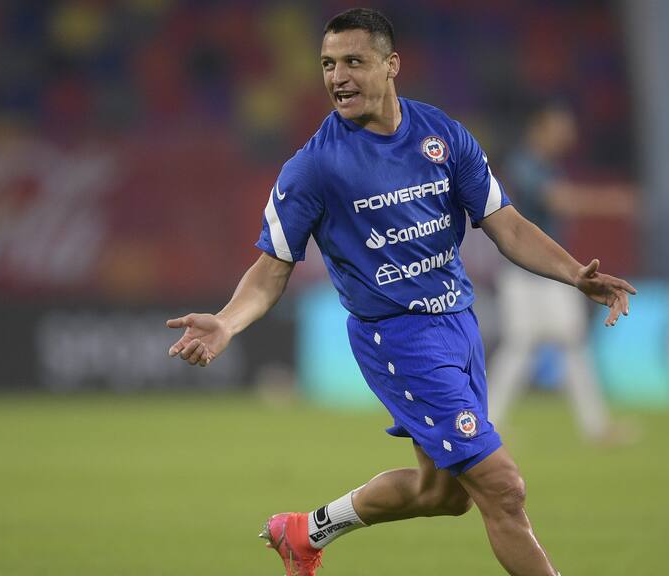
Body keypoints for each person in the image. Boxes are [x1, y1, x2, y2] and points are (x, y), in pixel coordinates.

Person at [166, 9, 636, 576]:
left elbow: (506, 224)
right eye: (327, 64)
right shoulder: (313, 167)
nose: (337, 76)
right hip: (399, 338)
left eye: (353, 62)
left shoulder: (441, 135)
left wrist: (573, 274)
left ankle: (305, 531)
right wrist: (227, 321)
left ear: (391, 65)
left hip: (459, 326)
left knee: (445, 494)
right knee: (503, 488)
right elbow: (271, 271)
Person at [488, 103, 636, 442]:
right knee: (537, 343)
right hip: (528, 271)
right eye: (560, 128)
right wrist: (608, 201)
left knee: (554, 342)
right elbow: (556, 200)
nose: (567, 136)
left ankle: (594, 426)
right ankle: (594, 427)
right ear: (540, 128)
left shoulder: (544, 165)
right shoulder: (524, 164)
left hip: (544, 273)